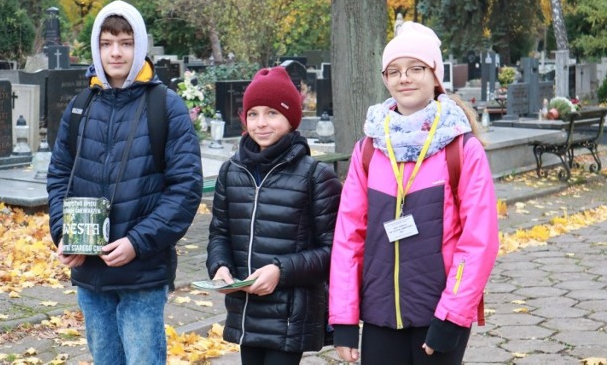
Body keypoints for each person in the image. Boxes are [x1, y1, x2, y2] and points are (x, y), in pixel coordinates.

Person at [329, 21, 499, 364]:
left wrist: (451, 315)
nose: (403, 77)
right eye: (394, 70)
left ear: (435, 74)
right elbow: (349, 238)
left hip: (437, 313)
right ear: (385, 79)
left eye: (415, 68)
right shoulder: (368, 149)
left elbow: (479, 240)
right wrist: (344, 320)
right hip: (378, 315)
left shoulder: (461, 149)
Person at [47, 0, 203, 365]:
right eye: (106, 43)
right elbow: (59, 176)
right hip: (89, 271)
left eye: (126, 42)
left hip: (142, 273)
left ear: (140, 46)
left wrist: (137, 242)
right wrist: (63, 234)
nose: (115, 52)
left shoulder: (166, 107)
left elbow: (184, 189)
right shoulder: (80, 106)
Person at [206, 66, 342, 365]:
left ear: (290, 118)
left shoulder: (316, 177)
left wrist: (281, 271)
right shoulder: (232, 171)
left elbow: (333, 252)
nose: (261, 123)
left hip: (290, 316)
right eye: (253, 114)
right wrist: (220, 266)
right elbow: (219, 232)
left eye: (272, 113)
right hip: (244, 310)